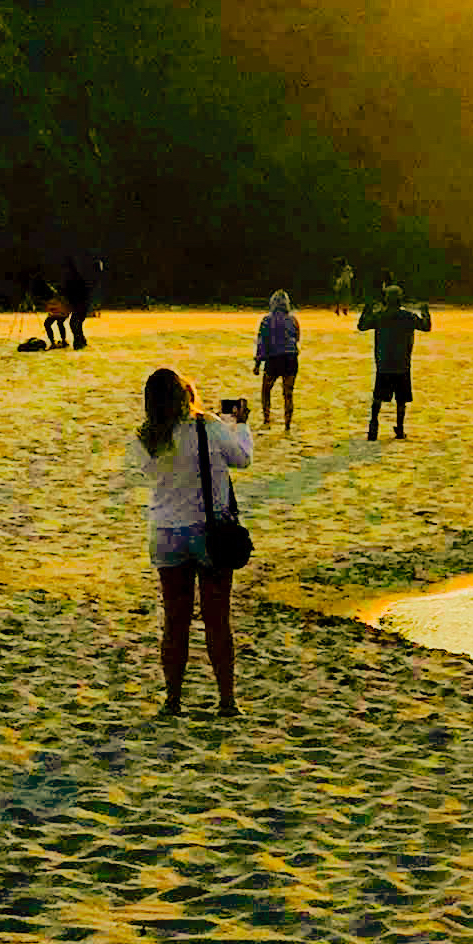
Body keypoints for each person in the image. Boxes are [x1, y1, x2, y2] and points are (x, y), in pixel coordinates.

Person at [130, 364, 252, 717]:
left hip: (166, 532)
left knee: (175, 620)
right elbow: (242, 459)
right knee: (217, 620)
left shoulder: (145, 438)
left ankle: (173, 699)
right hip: (208, 531)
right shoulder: (209, 426)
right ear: (185, 394)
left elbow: (151, 474)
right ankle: (227, 701)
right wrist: (241, 423)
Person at [359, 282, 431, 438]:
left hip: (383, 363)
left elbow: (362, 326)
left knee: (378, 397)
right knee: (401, 399)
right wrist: (425, 312)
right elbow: (426, 327)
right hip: (402, 363)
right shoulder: (408, 317)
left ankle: (373, 424)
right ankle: (399, 427)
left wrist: (367, 309)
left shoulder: (380, 316)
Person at [253, 289, 302, 427]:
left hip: (274, 358)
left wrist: (257, 363)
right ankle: (287, 424)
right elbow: (297, 338)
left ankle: (267, 418)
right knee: (288, 394)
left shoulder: (267, 320)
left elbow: (261, 343)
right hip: (291, 358)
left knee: (266, 391)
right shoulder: (293, 319)